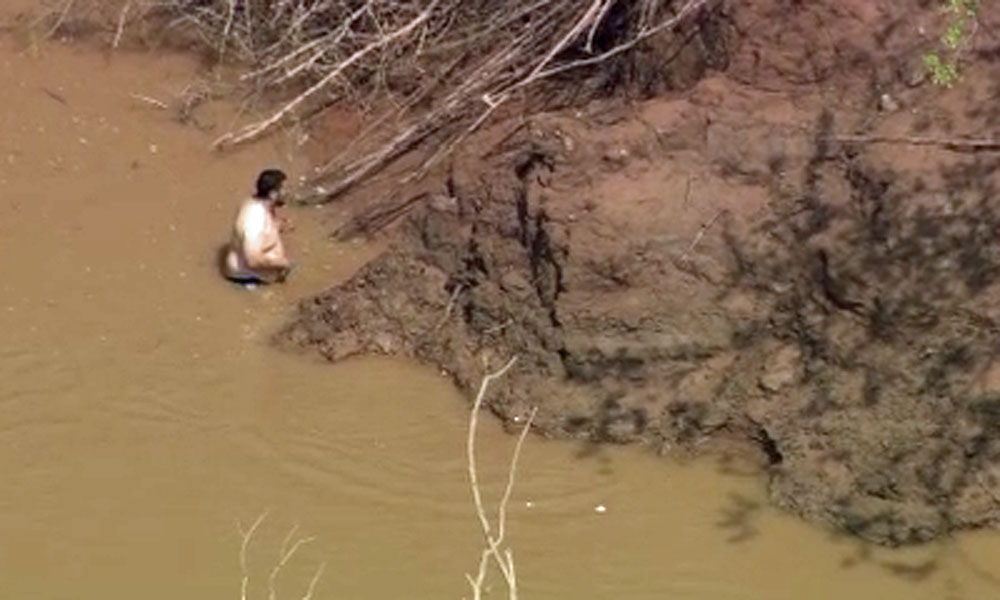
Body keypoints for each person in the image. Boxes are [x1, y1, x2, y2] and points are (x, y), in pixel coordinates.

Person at [223, 169, 292, 285]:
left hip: (258, 274)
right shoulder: (255, 220)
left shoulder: (257, 202)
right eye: (285, 189)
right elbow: (253, 260)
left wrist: (277, 226)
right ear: (273, 194)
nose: (288, 192)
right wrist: (284, 263)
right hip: (247, 278)